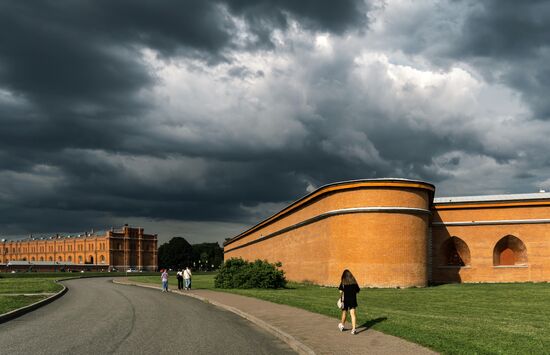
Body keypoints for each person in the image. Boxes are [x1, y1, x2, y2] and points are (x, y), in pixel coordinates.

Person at [338, 269, 360, 335]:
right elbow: (358, 290)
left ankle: (342, 325)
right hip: (353, 299)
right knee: (353, 314)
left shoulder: (343, 282)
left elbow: (340, 291)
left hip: (345, 300)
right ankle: (353, 329)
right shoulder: (354, 282)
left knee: (344, 312)